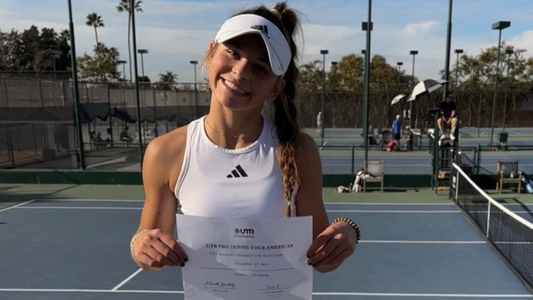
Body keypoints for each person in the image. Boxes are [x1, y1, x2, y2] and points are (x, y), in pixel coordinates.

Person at [129, 2, 359, 275]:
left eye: (260, 68)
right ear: (210, 54)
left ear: (276, 89)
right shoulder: (165, 151)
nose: (240, 71)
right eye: (233, 52)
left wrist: (346, 233)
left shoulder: (299, 150)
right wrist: (141, 245)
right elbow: (148, 253)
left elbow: (323, 259)